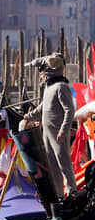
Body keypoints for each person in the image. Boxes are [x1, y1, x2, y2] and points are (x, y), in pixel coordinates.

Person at [23, 52, 76, 197]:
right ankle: (58, 194)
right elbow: (43, 107)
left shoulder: (61, 86)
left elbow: (69, 110)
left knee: (63, 163)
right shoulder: (48, 88)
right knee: (53, 165)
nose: (40, 76)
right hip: (47, 132)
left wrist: (63, 131)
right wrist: (29, 116)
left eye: (41, 73)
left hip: (58, 132)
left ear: (47, 72)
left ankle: (72, 192)